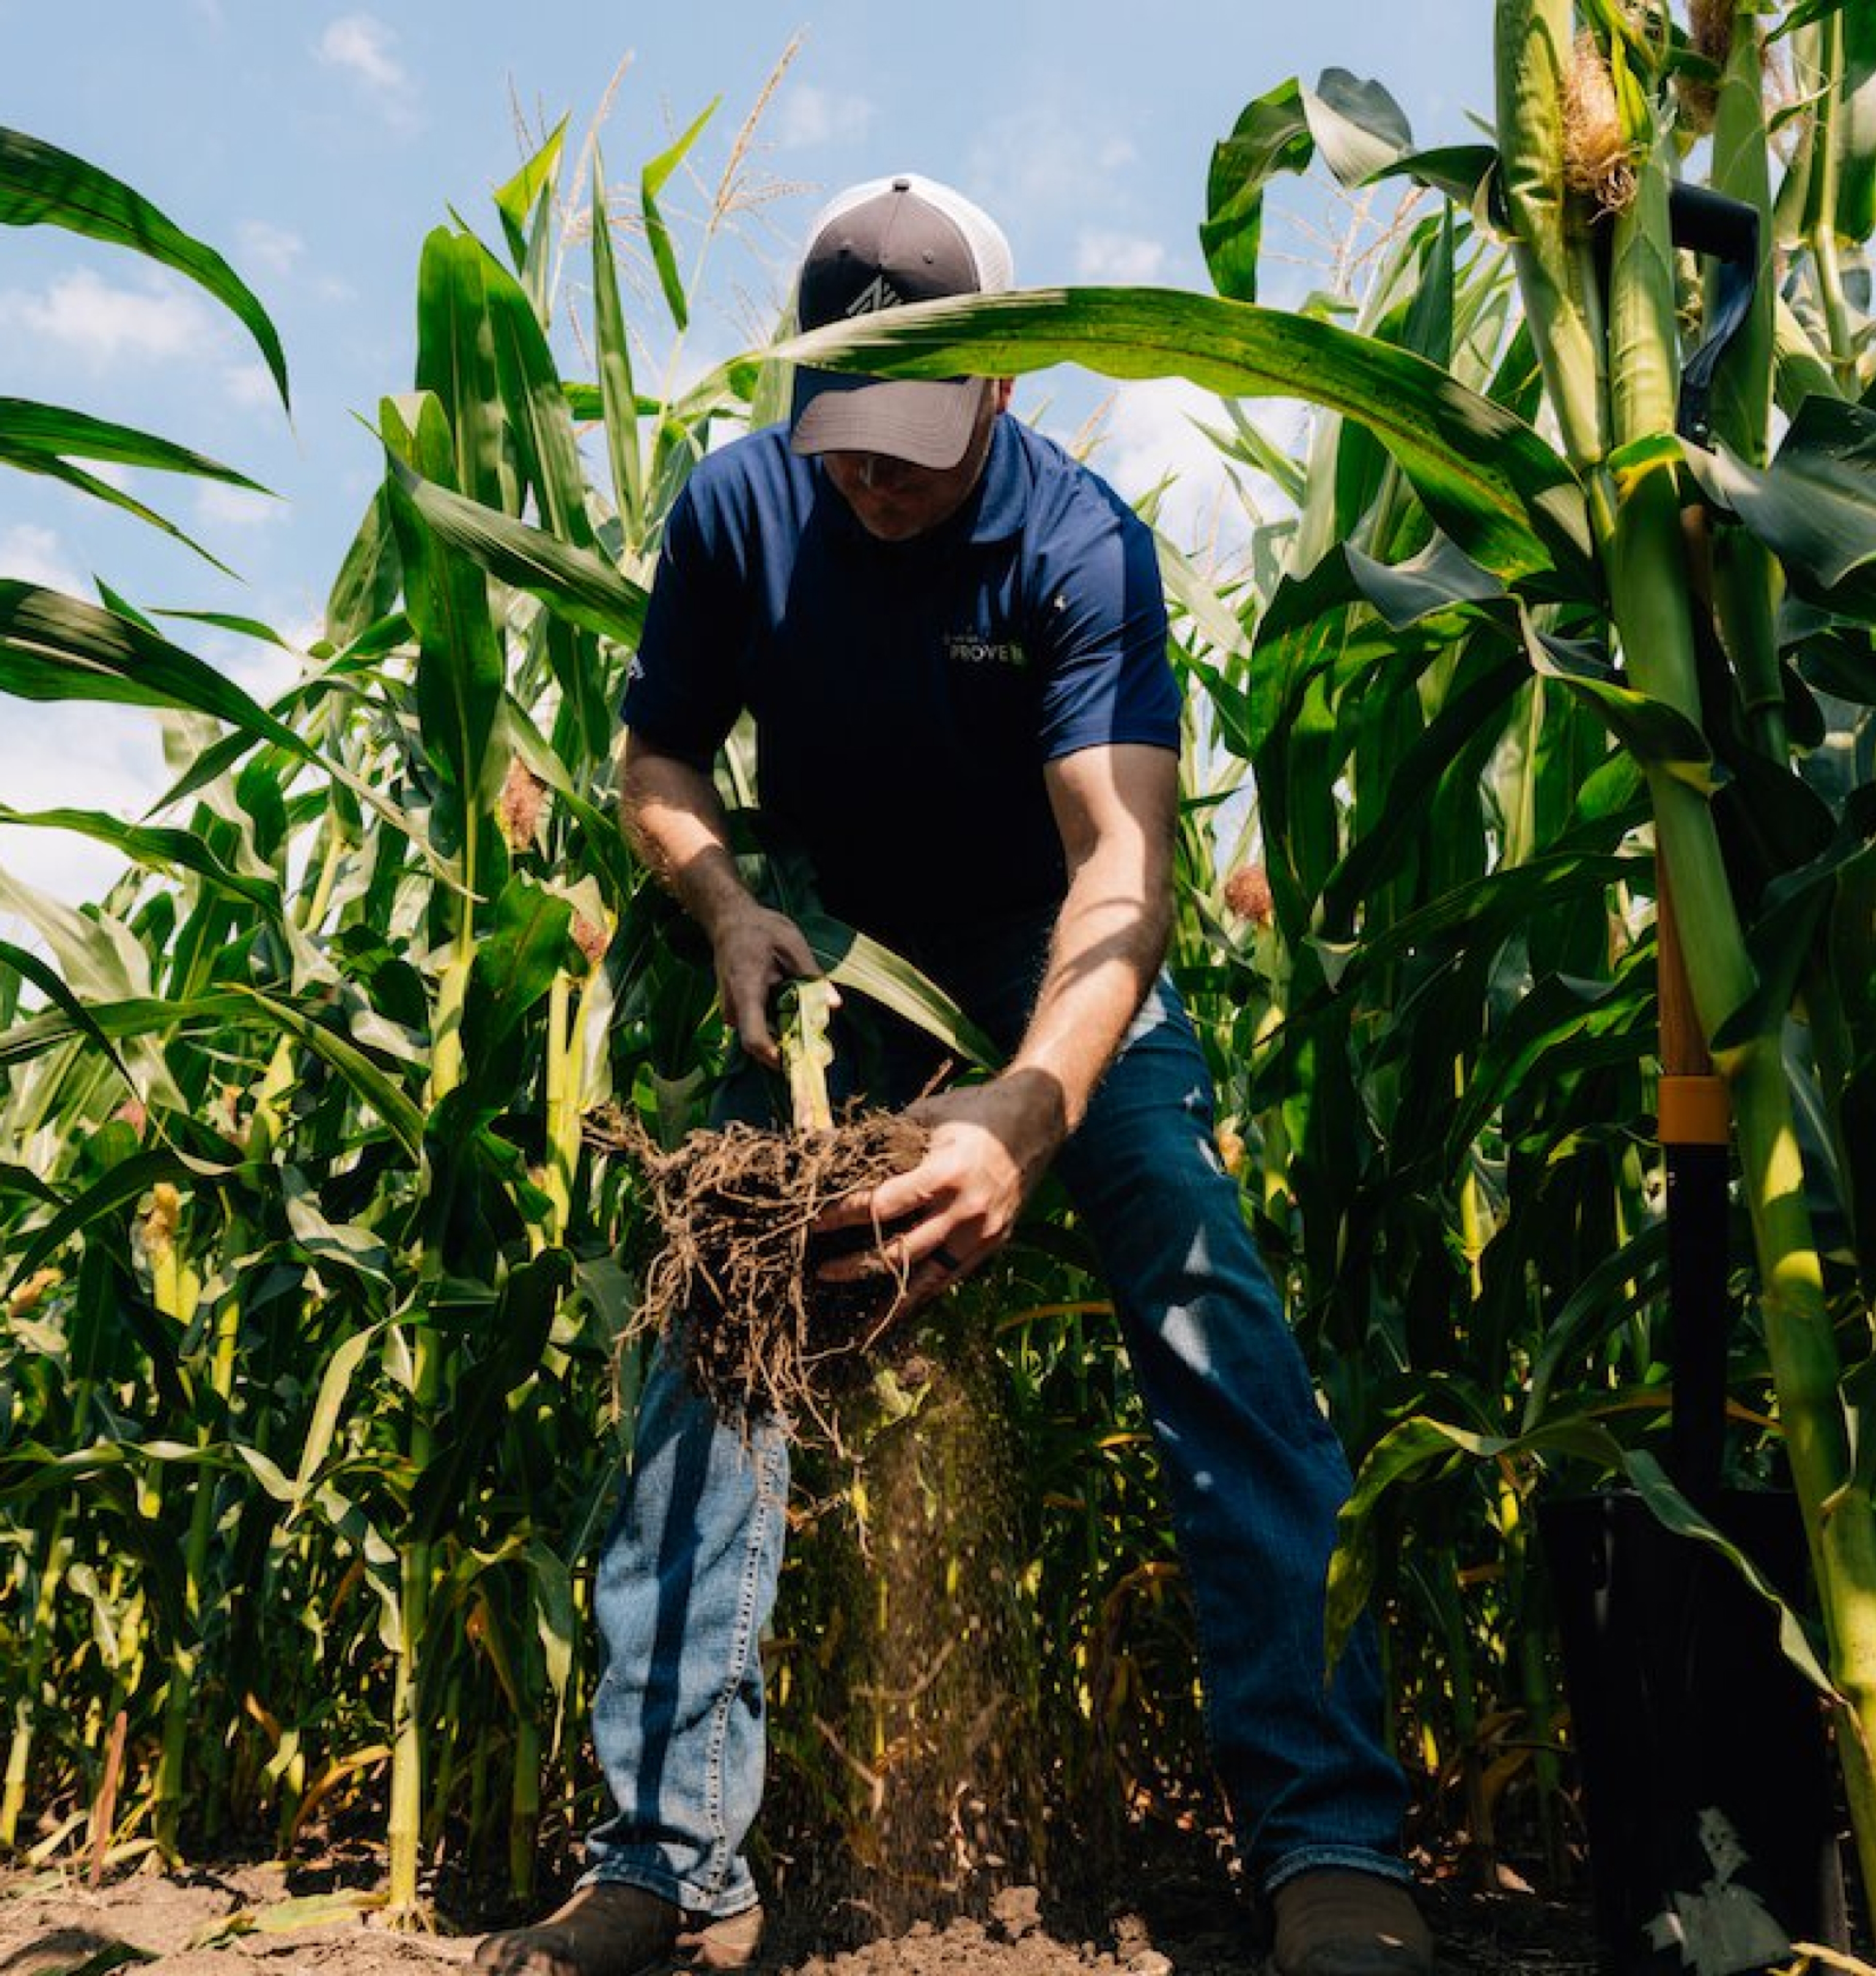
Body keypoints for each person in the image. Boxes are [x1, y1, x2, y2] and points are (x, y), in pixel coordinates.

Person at [476, 173, 1432, 1976]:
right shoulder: (743, 509)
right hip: (835, 949)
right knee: (719, 1305)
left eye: (913, 441)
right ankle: (668, 1862)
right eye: (845, 436)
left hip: (1043, 944)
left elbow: (1124, 870)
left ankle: (1330, 1840)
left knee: (1201, 1268)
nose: (872, 479)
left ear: (1000, 390)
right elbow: (662, 760)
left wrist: (1034, 1106)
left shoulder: (1079, 549)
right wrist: (728, 907)